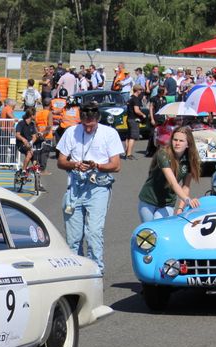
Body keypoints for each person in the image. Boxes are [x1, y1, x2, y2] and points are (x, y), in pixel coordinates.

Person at [56, 103, 124, 273]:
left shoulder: (109, 133)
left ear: (97, 120)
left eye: (91, 125)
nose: (87, 128)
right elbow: (61, 161)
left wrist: (97, 166)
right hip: (75, 186)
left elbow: (116, 165)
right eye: (84, 124)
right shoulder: (71, 132)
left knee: (93, 232)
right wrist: (75, 164)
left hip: (98, 186)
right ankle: (77, 272)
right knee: (73, 237)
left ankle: (95, 270)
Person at [137, 126, 201, 222]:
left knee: (160, 228)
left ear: (188, 144)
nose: (177, 143)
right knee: (149, 232)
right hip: (149, 199)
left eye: (181, 141)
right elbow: (172, 182)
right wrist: (188, 200)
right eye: (175, 140)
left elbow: (186, 186)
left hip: (167, 203)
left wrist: (180, 208)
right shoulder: (163, 154)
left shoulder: (189, 160)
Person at [15, 109, 41, 188]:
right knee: (29, 153)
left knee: (36, 157)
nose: (36, 116)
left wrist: (31, 142)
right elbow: (17, 134)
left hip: (29, 145)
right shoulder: (21, 123)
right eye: (35, 115)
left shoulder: (32, 124)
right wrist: (23, 140)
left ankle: (35, 178)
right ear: (31, 115)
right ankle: (23, 170)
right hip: (21, 144)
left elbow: (34, 136)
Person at [124, 85, 147, 160]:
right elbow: (136, 110)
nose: (141, 92)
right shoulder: (136, 99)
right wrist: (143, 115)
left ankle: (126, 152)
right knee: (133, 137)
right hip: (134, 119)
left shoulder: (130, 98)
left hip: (129, 118)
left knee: (128, 136)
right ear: (137, 90)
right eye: (140, 90)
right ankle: (129, 154)